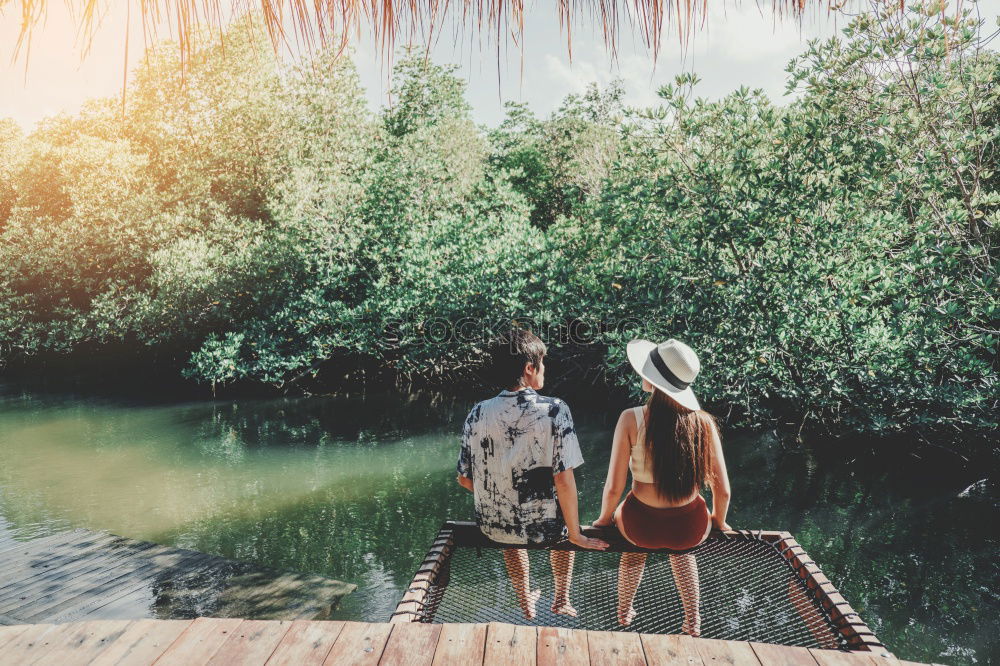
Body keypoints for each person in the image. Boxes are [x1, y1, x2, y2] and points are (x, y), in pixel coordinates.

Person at [456, 329, 608, 620]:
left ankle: (526, 601)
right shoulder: (554, 410)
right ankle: (561, 598)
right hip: (547, 530)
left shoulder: (477, 412)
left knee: (508, 516)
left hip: (493, 527)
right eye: (542, 362)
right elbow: (564, 480)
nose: (545, 369)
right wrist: (576, 533)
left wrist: (502, 495)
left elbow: (464, 479)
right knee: (564, 516)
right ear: (529, 368)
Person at [592, 338, 731, 634]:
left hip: (638, 526)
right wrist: (718, 521)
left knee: (633, 548)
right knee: (684, 553)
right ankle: (693, 618)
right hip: (689, 529)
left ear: (652, 380)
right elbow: (724, 490)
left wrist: (604, 520)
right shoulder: (703, 423)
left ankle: (624, 609)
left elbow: (615, 486)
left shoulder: (630, 418)